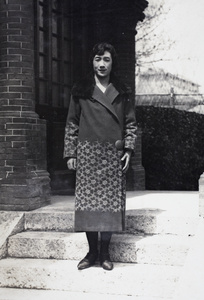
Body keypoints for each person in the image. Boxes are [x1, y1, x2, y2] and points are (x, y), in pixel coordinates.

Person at [63, 42, 137, 271]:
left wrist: (128, 150)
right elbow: (72, 123)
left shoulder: (122, 91)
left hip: (112, 157)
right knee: (88, 205)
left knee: (109, 207)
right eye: (98, 59)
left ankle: (104, 253)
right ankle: (91, 252)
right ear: (92, 62)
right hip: (88, 155)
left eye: (106, 59)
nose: (102, 64)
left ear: (112, 63)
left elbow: (131, 125)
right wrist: (70, 153)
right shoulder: (81, 90)